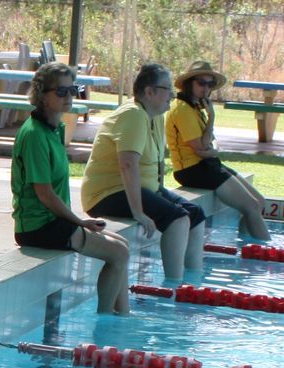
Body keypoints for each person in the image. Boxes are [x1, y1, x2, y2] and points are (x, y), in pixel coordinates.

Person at [11, 61, 133, 314]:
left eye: (72, 89)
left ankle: (124, 315)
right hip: (38, 226)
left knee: (123, 245)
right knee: (118, 254)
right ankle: (107, 320)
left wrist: (78, 223)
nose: (69, 97)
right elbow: (44, 193)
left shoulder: (56, 128)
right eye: (61, 91)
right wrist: (80, 222)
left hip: (54, 221)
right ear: (42, 95)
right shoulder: (34, 134)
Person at [80, 62, 206, 281]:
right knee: (177, 219)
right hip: (106, 194)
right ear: (150, 92)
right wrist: (138, 212)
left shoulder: (155, 116)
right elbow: (127, 164)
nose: (172, 95)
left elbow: (155, 165)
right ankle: (173, 287)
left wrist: (160, 194)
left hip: (138, 188)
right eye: (167, 89)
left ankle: (193, 281)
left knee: (195, 215)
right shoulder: (134, 115)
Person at [166, 58, 274, 241]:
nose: (206, 88)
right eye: (201, 83)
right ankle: (265, 253)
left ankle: (247, 246)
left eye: (210, 84)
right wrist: (212, 120)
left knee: (259, 203)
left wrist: (212, 145)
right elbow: (201, 147)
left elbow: (211, 143)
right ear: (188, 84)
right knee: (251, 206)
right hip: (192, 170)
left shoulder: (196, 107)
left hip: (208, 165)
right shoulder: (183, 109)